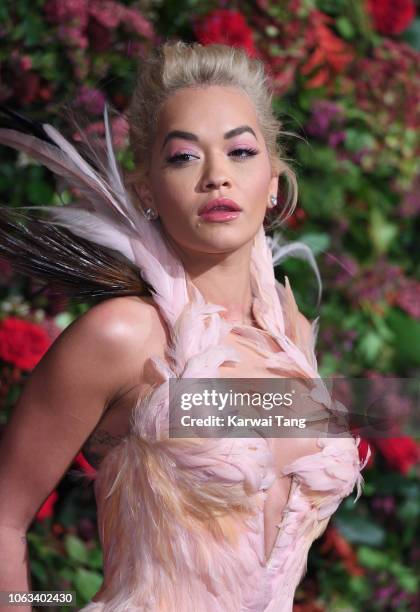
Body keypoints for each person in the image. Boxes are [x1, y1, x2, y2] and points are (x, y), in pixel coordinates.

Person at [0, 41, 367, 611]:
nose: (217, 177)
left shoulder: (289, 337)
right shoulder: (123, 336)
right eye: (183, 157)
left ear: (274, 181)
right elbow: (4, 521)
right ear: (147, 189)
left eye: (241, 152)